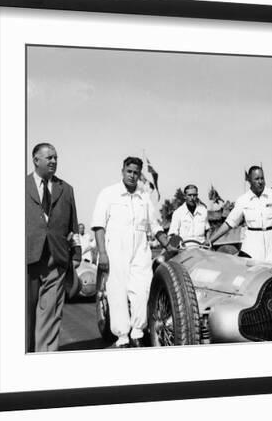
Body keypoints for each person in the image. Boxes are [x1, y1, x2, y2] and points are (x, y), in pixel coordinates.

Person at [91, 156, 173, 348]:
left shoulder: (144, 197)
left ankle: (138, 331)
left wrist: (167, 244)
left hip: (140, 250)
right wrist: (102, 253)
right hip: (115, 250)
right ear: (122, 171)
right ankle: (122, 336)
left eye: (136, 173)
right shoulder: (108, 193)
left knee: (142, 291)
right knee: (117, 292)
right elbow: (98, 226)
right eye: (129, 171)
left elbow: (155, 226)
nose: (132, 176)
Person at [26, 143, 81, 352]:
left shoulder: (66, 189)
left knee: (50, 314)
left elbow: (73, 226)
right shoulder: (18, 186)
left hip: (56, 259)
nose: (54, 161)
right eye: (49, 157)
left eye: (56, 158)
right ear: (36, 160)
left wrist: (76, 254)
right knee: (25, 314)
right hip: (26, 259)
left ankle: (45, 360)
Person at [208, 166, 272, 265]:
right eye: (256, 179)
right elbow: (229, 223)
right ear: (250, 180)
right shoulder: (243, 200)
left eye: (262, 178)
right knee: (254, 276)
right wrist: (210, 240)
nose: (260, 181)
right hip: (253, 245)